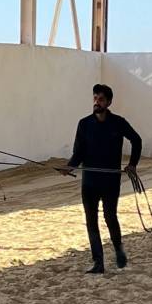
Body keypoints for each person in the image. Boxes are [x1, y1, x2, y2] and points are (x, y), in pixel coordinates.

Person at [61, 83, 142, 274]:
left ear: (109, 102)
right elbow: (78, 152)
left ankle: (119, 250)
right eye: (95, 98)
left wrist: (132, 164)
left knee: (110, 216)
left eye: (101, 99)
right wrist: (69, 167)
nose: (97, 102)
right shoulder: (84, 124)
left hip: (110, 181)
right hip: (89, 181)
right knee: (91, 220)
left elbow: (136, 140)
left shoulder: (119, 123)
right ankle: (98, 262)